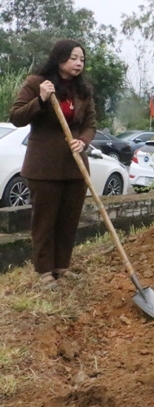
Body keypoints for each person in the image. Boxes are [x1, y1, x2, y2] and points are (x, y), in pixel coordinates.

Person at [9, 40, 96, 287]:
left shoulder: (83, 90)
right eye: (73, 58)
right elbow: (16, 117)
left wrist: (83, 141)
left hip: (75, 165)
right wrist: (42, 99)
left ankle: (62, 266)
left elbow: (90, 124)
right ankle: (45, 271)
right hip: (44, 166)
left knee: (69, 219)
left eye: (82, 59)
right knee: (45, 219)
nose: (79, 63)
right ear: (59, 59)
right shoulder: (37, 83)